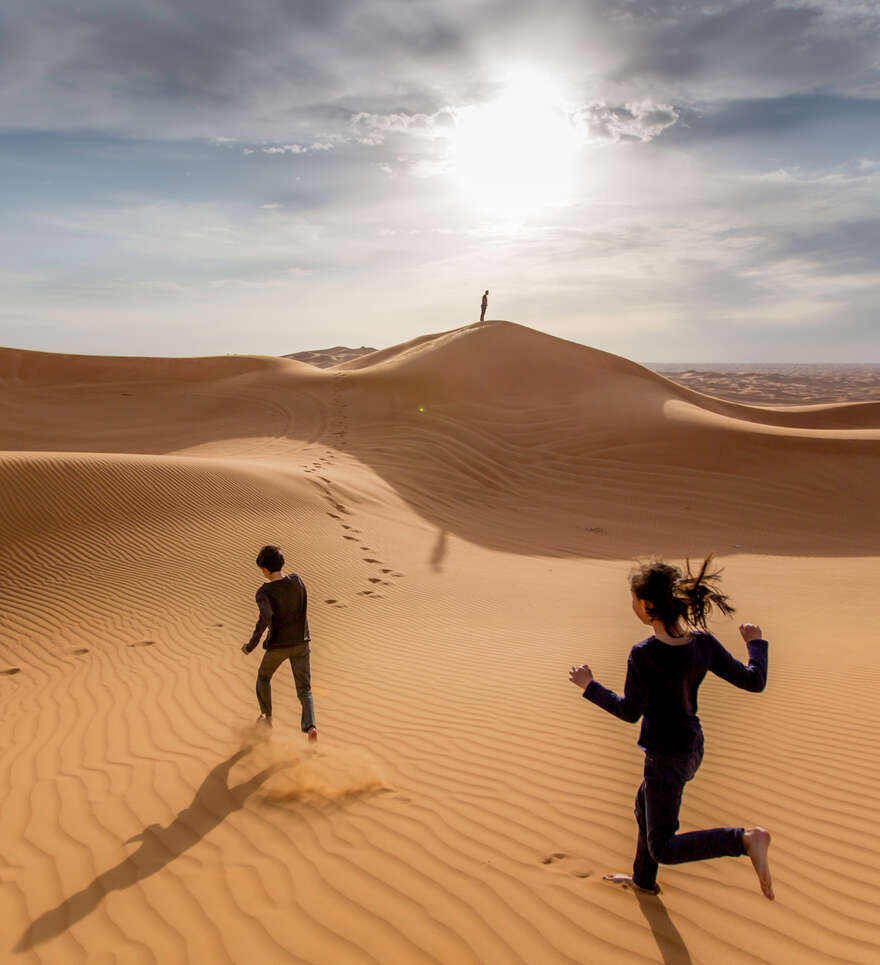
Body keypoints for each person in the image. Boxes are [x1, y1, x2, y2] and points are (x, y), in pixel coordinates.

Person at [569, 556, 773, 899]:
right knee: (644, 807)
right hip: (692, 748)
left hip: (665, 757)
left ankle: (744, 840)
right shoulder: (702, 643)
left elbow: (629, 712)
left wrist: (590, 686)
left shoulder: (644, 654)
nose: (632, 605)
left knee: (663, 845)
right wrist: (755, 643)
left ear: (647, 606)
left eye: (634, 599)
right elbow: (755, 681)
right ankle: (644, 881)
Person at [241, 544, 317, 741]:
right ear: (282, 563)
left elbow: (265, 618)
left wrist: (251, 645)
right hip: (301, 643)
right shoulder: (297, 581)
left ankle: (267, 719)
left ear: (265, 570)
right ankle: (310, 728)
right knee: (305, 689)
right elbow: (303, 606)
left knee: (263, 677)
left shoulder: (264, 592)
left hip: (278, 646)